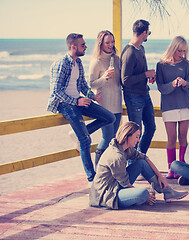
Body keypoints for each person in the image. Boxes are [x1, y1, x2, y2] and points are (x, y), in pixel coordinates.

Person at [47, 33, 115, 182]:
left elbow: (83, 85)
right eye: (83, 45)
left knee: (110, 117)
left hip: (78, 100)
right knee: (85, 140)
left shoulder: (78, 63)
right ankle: (92, 179)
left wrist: (92, 97)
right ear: (73, 46)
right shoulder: (62, 64)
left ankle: (77, 134)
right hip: (65, 104)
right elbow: (56, 91)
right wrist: (76, 102)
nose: (86, 47)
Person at [89, 121, 189, 209]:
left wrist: (160, 176)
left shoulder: (124, 147)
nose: (138, 140)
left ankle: (168, 192)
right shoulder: (116, 156)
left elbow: (144, 157)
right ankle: (145, 196)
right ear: (127, 135)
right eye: (136, 137)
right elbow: (125, 184)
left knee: (141, 162)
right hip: (107, 195)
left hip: (116, 185)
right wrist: (146, 198)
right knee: (143, 193)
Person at [156, 36, 189, 179]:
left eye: (184, 51)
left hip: (185, 104)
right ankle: (171, 168)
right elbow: (160, 87)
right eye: (180, 50)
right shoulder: (161, 65)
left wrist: (184, 83)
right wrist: (172, 84)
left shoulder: (186, 64)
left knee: (183, 137)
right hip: (169, 106)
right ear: (173, 48)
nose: (182, 54)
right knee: (171, 138)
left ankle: (182, 169)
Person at [120, 19, 156, 154]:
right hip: (133, 96)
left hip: (144, 94)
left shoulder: (141, 48)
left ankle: (139, 156)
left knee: (151, 127)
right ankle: (133, 163)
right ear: (144, 33)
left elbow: (140, 73)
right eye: (149, 33)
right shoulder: (129, 52)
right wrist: (145, 74)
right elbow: (125, 80)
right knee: (135, 132)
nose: (148, 35)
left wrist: (149, 76)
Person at [89, 30, 123, 167]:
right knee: (107, 137)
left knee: (114, 138)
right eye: (107, 42)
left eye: (112, 42)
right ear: (100, 44)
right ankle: (98, 168)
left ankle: (108, 167)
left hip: (117, 102)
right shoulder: (96, 62)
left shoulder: (117, 59)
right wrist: (104, 78)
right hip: (105, 104)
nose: (111, 45)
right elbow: (91, 84)